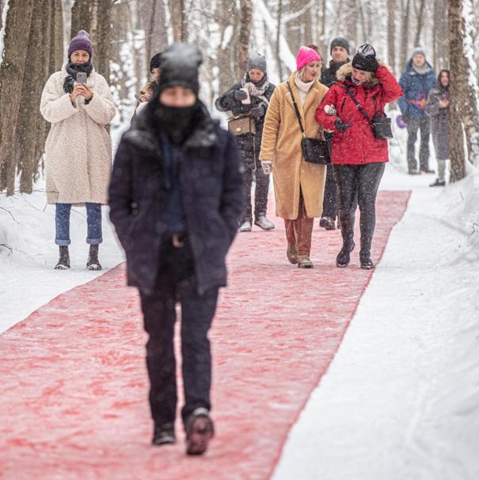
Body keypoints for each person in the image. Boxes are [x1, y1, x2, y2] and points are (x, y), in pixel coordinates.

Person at [109, 43, 243, 456]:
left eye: (186, 94)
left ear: (195, 93)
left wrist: (219, 238)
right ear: (162, 90)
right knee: (160, 340)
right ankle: (163, 420)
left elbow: (233, 197)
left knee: (196, 338)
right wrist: (134, 238)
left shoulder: (216, 139)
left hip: (200, 253)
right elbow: (118, 201)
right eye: (172, 93)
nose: (179, 101)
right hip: (154, 254)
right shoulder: (136, 140)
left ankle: (198, 412)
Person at [316, 44, 402, 269]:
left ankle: (365, 252)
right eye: (354, 71)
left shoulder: (378, 90)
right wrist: (334, 122)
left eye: (362, 73)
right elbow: (320, 113)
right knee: (346, 206)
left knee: (367, 203)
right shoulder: (337, 88)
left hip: (373, 155)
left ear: (371, 73)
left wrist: (380, 69)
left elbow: (396, 92)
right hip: (344, 154)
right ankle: (347, 244)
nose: (357, 76)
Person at [40, 30, 116, 270]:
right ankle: (63, 254)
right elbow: (48, 111)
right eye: (77, 54)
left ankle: (93, 254)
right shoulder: (55, 80)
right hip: (64, 149)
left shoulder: (99, 81)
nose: (80, 58)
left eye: (84, 54)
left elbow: (108, 115)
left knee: (94, 203)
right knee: (63, 202)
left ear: (89, 56)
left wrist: (92, 97)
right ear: (70, 56)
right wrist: (70, 99)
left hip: (94, 151)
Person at [259, 46, 329, 269]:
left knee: (308, 204)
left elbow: (329, 123)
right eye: (312, 66)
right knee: (291, 205)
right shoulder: (281, 91)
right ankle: (292, 243)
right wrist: (266, 155)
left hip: (312, 155)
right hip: (286, 156)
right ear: (301, 67)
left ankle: (304, 252)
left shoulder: (324, 92)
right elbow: (271, 125)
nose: (315, 70)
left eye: (318, 66)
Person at [214, 53, 275, 232]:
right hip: (241, 141)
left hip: (264, 140)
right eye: (252, 72)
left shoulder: (271, 90)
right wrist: (234, 96)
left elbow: (280, 109)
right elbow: (219, 104)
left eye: (259, 73)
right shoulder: (239, 87)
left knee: (263, 178)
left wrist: (264, 110)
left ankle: (261, 215)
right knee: (243, 179)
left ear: (264, 73)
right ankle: (244, 217)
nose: (255, 76)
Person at [318, 37, 353, 231]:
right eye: (335, 49)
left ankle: (345, 214)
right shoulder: (325, 74)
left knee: (348, 175)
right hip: (331, 130)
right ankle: (328, 214)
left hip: (350, 131)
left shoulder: (354, 73)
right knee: (331, 174)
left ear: (347, 52)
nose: (338, 52)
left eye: (341, 49)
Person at [397, 47, 436, 175]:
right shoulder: (407, 75)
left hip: (427, 112)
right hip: (412, 112)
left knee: (425, 139)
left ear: (424, 58)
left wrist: (435, 107)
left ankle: (424, 166)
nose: (418, 59)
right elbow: (400, 93)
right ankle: (412, 166)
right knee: (412, 139)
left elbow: (436, 92)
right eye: (416, 57)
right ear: (412, 59)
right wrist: (405, 110)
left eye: (420, 57)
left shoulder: (431, 74)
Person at [425, 69, 451, 187]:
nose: (445, 79)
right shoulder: (433, 92)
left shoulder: (454, 92)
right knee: (440, 153)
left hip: (452, 127)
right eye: (442, 76)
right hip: (438, 127)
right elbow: (428, 109)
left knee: (452, 152)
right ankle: (441, 178)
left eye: (447, 76)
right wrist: (438, 106)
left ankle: (457, 177)